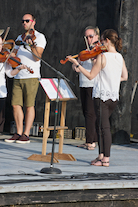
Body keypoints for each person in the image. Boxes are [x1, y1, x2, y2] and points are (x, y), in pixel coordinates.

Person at [67, 29, 128, 166]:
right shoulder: (119, 57)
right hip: (113, 97)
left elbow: (90, 76)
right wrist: (112, 78)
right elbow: (125, 77)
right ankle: (101, 155)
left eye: (101, 40)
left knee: (104, 128)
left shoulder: (103, 57)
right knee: (100, 126)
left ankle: (105, 159)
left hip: (101, 96)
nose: (99, 44)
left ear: (106, 41)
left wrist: (77, 65)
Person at [5, 13, 46, 144]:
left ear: (33, 22)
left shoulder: (39, 37)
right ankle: (18, 132)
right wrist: (6, 53)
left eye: (27, 21)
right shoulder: (19, 37)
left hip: (31, 76)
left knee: (29, 105)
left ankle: (26, 134)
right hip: (18, 74)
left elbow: (37, 57)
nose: (24, 23)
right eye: (23, 21)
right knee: (15, 105)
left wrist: (31, 45)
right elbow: (14, 54)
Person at [73, 26, 99, 150]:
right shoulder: (85, 52)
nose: (88, 39)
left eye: (91, 36)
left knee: (90, 113)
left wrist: (93, 58)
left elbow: (99, 67)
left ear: (97, 36)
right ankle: (91, 139)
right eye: (86, 37)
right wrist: (76, 64)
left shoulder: (99, 52)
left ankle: (91, 142)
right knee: (86, 112)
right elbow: (77, 69)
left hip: (93, 84)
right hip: (83, 83)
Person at [0, 34, 28, 135]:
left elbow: (10, 74)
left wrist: (18, 69)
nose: (0, 46)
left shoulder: (4, 58)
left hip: (1, 92)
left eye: (1, 44)